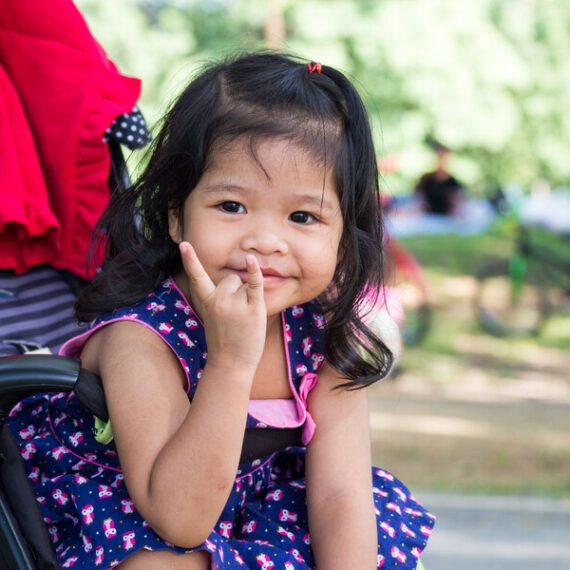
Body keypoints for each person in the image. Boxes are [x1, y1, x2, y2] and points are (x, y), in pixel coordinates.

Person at [8, 53, 434, 569]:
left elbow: (338, 497)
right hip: (138, 513)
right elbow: (180, 520)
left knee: (360, 540)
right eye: (231, 207)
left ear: (344, 238)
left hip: (259, 515)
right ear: (175, 217)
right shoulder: (141, 339)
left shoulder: (321, 334)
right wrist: (231, 364)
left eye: (303, 216)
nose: (264, 241)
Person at [414, 141, 464, 216]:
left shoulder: (452, 182)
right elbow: (417, 199)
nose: (441, 161)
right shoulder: (426, 179)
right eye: (439, 157)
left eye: (443, 157)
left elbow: (457, 203)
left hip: (446, 217)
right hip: (426, 216)